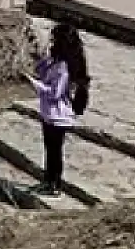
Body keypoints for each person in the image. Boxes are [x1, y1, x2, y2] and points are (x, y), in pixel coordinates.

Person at [29, 25, 90, 196]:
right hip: (50, 115)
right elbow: (41, 70)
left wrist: (33, 84)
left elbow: (54, 93)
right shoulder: (55, 61)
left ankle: (54, 185)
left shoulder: (63, 67)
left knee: (54, 152)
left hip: (58, 116)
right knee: (50, 151)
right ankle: (48, 182)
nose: (51, 42)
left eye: (54, 39)